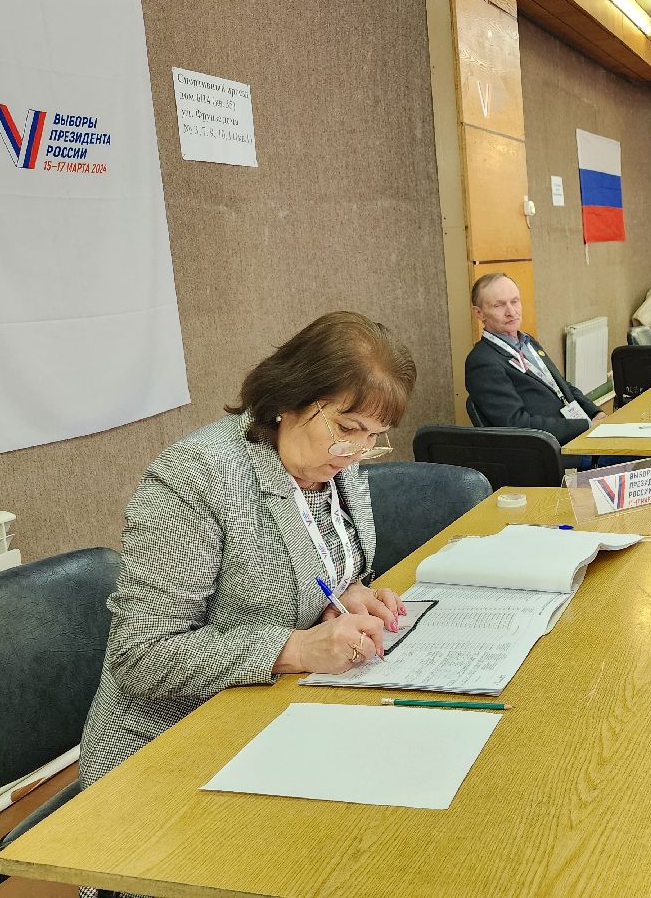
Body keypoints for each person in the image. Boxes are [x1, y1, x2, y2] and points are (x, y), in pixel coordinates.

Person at [80, 312, 416, 795]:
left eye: (371, 438)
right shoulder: (196, 479)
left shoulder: (336, 461)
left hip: (275, 721)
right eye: (347, 428)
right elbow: (141, 657)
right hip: (169, 752)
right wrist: (296, 648)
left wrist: (347, 592)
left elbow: (309, 561)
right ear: (288, 400)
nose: (354, 453)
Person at [465, 273, 651, 478]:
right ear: (478, 313)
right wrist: (585, 425)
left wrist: (595, 412)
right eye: (499, 305)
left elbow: (563, 386)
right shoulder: (483, 362)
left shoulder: (527, 342)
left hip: (581, 435)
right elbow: (516, 424)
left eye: (515, 301)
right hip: (558, 451)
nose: (511, 311)